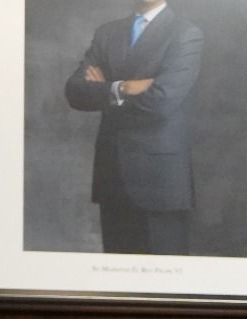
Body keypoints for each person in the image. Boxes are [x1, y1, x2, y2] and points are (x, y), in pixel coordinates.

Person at [64, 0, 203, 255]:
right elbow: (75, 91)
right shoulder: (107, 32)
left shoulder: (185, 33)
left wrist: (105, 88)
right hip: (112, 175)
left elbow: (162, 101)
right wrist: (123, 87)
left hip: (160, 181)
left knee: (164, 281)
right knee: (116, 279)